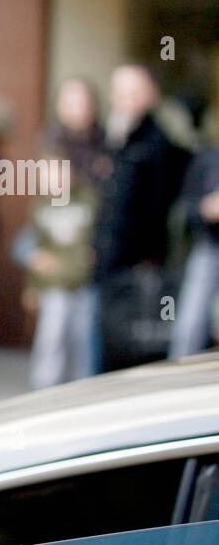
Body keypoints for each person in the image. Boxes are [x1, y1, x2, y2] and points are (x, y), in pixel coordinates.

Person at [94, 64, 191, 370]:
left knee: (128, 348)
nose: (124, 100)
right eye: (119, 92)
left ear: (152, 94)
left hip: (136, 262)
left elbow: (156, 209)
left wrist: (148, 258)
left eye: (133, 92)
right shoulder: (118, 138)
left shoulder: (157, 144)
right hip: (110, 259)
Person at [17, 148, 99, 388]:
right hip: (53, 284)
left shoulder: (88, 199)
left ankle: (86, 388)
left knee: (83, 339)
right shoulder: (40, 206)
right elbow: (33, 250)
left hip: (84, 281)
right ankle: (44, 388)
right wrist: (32, 287)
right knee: (51, 338)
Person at [168, 143, 219, 357]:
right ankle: (176, 381)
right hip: (209, 249)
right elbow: (185, 207)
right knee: (189, 327)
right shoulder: (208, 158)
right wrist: (205, 208)